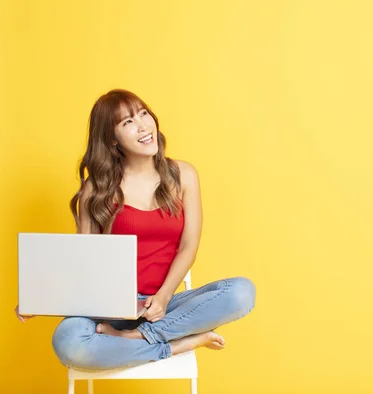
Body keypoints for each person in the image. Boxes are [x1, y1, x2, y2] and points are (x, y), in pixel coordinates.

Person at [14, 89, 256, 371]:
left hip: (163, 307)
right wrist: (40, 299)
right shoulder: (97, 189)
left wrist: (164, 297)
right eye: (127, 122)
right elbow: (81, 261)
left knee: (241, 292)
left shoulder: (184, 175)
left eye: (143, 114)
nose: (143, 125)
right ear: (112, 139)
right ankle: (174, 345)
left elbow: (189, 244)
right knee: (68, 341)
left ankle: (137, 337)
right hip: (108, 309)